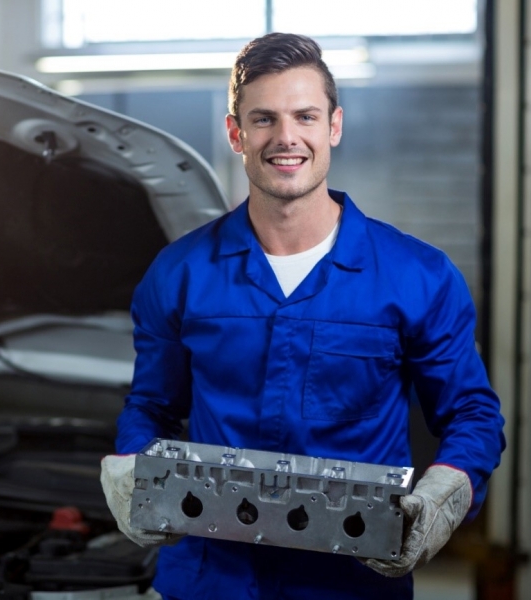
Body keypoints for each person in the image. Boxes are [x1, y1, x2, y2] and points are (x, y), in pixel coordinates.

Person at [100, 32, 505, 600]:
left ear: (333, 126)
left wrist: (445, 492)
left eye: (305, 116)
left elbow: (471, 412)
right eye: (263, 119)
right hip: (212, 579)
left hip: (351, 584)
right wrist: (129, 467)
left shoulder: (418, 276)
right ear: (235, 133)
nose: (286, 138)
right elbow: (153, 407)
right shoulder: (180, 274)